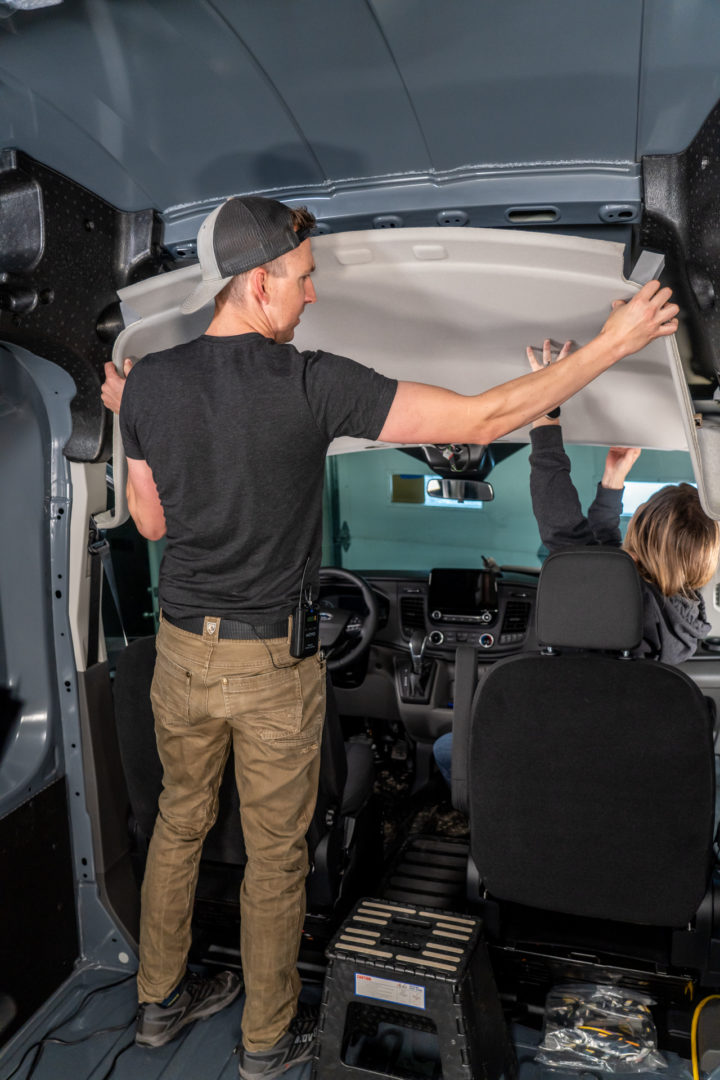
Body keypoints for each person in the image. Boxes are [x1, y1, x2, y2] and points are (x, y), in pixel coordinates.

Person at [101, 194, 679, 1078]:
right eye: (302, 280)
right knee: (275, 853)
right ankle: (263, 1046)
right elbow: (486, 421)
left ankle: (156, 1005)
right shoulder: (309, 382)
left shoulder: (147, 386)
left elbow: (146, 524)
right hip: (266, 667)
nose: (312, 296)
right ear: (258, 285)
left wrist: (129, 413)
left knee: (178, 825)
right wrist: (611, 346)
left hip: (181, 653)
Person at [433, 338, 720, 786]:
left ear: (638, 531)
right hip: (597, 767)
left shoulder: (609, 604)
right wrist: (610, 485)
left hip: (546, 750)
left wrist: (545, 418)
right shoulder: (682, 625)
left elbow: (567, 535)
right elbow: (602, 566)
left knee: (446, 749)